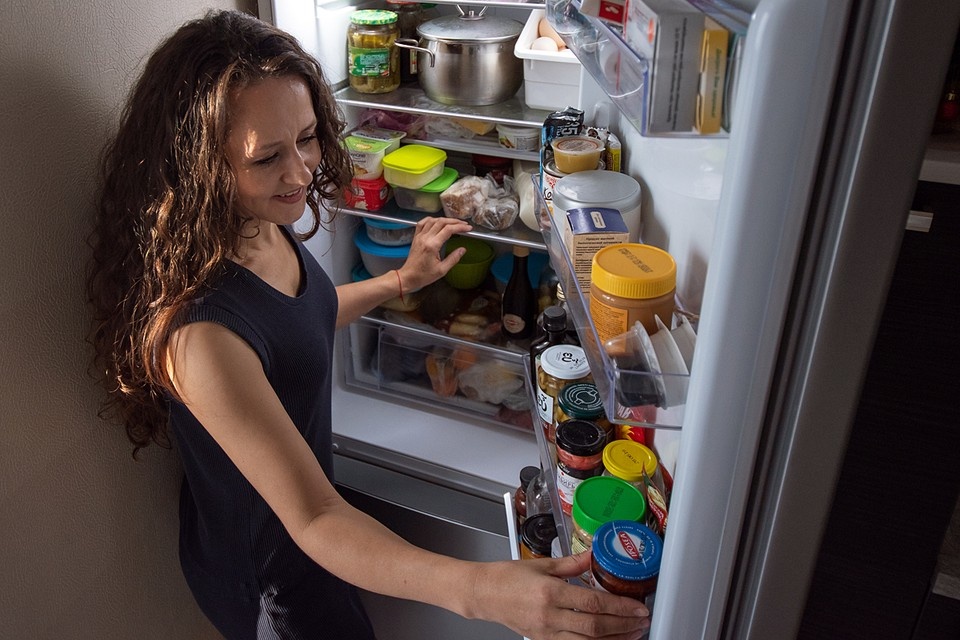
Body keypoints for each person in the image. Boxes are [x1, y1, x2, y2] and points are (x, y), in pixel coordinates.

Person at [86, 9, 650, 640]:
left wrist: (397, 282)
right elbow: (317, 518)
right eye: (268, 156)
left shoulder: (252, 221)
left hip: (300, 541)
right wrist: (477, 589)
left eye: (306, 137)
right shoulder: (200, 335)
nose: (300, 172)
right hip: (273, 583)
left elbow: (298, 319)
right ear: (199, 166)